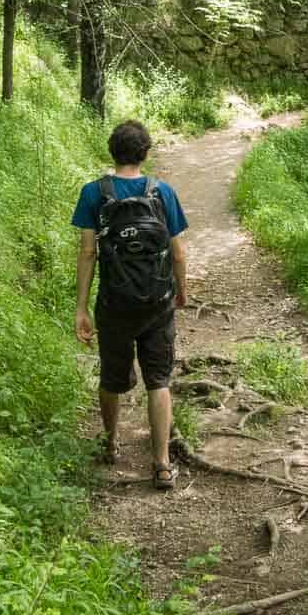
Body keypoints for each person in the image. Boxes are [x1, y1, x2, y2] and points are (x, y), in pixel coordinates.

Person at [72, 119, 188, 490]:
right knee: (159, 380)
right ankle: (162, 464)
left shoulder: (94, 193)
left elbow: (88, 252)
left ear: (112, 151)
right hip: (158, 301)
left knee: (111, 375)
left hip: (114, 302)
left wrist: (81, 307)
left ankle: (110, 444)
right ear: (146, 153)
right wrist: (181, 289)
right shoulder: (162, 192)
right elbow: (178, 253)